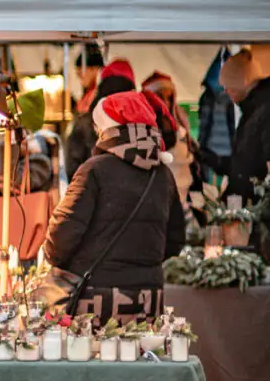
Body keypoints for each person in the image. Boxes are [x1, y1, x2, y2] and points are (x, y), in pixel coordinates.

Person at [46, 92, 186, 319]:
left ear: (108, 129)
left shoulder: (93, 170)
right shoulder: (164, 176)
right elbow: (176, 241)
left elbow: (61, 237)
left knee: (95, 354)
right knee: (142, 353)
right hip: (148, 301)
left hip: (95, 301)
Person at [200, 49, 270, 211]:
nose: (225, 91)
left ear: (242, 82)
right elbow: (242, 165)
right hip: (247, 209)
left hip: (257, 213)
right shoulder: (250, 111)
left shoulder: (263, 111)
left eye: (228, 86)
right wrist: (208, 158)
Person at [65, 58, 134, 179]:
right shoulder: (142, 126)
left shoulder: (87, 122)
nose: (80, 76)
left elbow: (72, 167)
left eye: (82, 70)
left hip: (94, 190)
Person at [141, 71, 194, 201]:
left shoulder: (181, 124)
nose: (165, 102)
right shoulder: (143, 127)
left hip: (181, 191)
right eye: (159, 96)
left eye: (169, 97)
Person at [196, 49, 236, 166]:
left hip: (211, 149)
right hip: (226, 151)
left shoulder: (207, 97)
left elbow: (203, 125)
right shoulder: (236, 96)